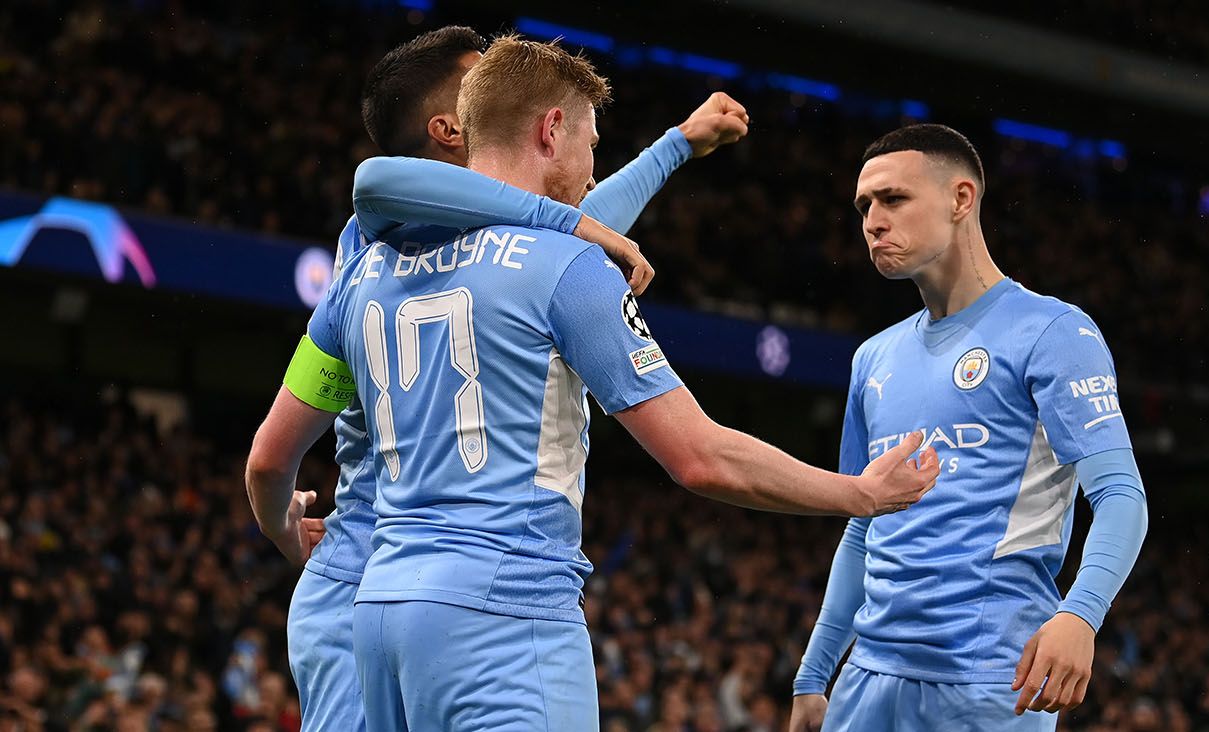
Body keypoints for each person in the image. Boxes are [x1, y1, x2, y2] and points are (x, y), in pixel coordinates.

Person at [247, 35, 940, 732]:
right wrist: (860, 492)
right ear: (547, 129)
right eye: (591, 143)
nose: (589, 170)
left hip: (377, 605)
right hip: (505, 610)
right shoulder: (565, 263)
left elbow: (270, 459)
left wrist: (669, 151)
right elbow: (700, 456)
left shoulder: (363, 266)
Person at [271, 26, 748, 732]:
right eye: (479, 85)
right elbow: (390, 184)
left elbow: (554, 240)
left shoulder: (430, 246)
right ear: (448, 128)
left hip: (379, 587)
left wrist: (674, 146)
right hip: (399, 583)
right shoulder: (376, 230)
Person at [788, 124, 1149, 731]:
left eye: (893, 199)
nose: (873, 220)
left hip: (992, 682)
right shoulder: (872, 359)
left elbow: (1120, 496)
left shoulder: (1053, 332)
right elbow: (861, 526)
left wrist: (1081, 615)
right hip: (867, 681)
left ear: (961, 199)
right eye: (864, 206)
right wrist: (814, 672)